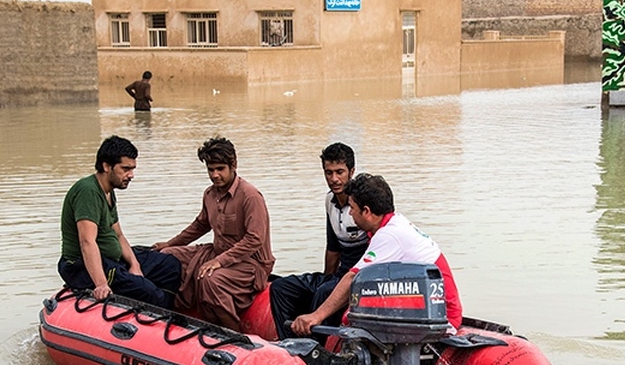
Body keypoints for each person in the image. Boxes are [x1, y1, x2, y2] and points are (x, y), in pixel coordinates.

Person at [290, 173, 462, 337]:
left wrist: (316, 316)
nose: (350, 213)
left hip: (444, 316)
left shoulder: (388, 236)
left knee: (349, 317)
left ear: (366, 211)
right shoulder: (395, 222)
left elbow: (353, 278)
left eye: (353, 208)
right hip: (436, 308)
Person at [155, 136, 274, 331]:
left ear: (233, 165)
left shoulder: (250, 196)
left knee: (210, 278)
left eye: (220, 169)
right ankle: (173, 314)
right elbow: (200, 225)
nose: (215, 175)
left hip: (251, 263)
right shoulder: (210, 194)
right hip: (218, 252)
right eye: (211, 170)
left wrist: (219, 262)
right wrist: (170, 244)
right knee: (167, 257)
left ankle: (235, 332)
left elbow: (255, 239)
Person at [58, 135, 180, 308]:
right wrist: (101, 284)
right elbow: (87, 241)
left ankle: (166, 312)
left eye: (132, 169)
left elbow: (118, 234)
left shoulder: (108, 191)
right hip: (81, 266)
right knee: (149, 291)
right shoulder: (88, 192)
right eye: (125, 169)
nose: (131, 175)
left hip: (112, 259)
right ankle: (156, 318)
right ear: (106, 166)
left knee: (170, 265)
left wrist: (134, 265)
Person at [268, 142, 369, 340]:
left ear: (352, 171)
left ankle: (316, 349)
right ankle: (290, 343)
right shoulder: (329, 200)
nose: (334, 179)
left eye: (340, 172)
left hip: (357, 279)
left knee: (324, 292)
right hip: (338, 275)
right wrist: (325, 278)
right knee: (281, 288)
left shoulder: (362, 204)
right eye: (328, 173)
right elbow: (333, 249)